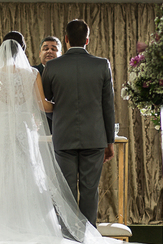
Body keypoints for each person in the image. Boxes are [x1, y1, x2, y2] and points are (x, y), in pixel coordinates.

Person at [0, 32, 119, 244]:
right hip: (23, 130)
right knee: (26, 174)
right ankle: (27, 225)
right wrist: (66, 104)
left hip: (1, 129)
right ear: (24, 50)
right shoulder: (31, 74)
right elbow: (45, 106)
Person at [41, 19, 117, 228]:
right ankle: (88, 235)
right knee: (90, 190)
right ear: (87, 40)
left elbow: (46, 97)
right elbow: (108, 106)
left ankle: (68, 235)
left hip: (63, 136)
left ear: (65, 39)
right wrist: (109, 141)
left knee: (65, 190)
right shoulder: (102, 65)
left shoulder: (53, 66)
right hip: (94, 137)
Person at [34, 34, 61, 131]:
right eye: (45, 49)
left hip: (62, 125)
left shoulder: (67, 73)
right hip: (37, 126)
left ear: (61, 54)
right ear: (40, 53)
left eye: (54, 49)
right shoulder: (31, 72)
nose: (49, 51)